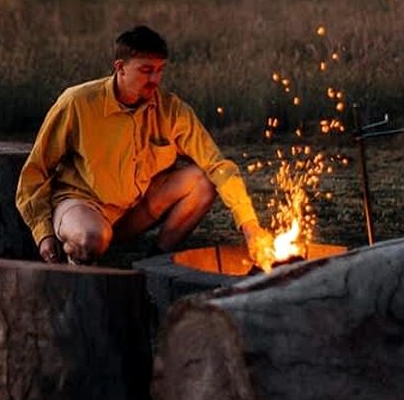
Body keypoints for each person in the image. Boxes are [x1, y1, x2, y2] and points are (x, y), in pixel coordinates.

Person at [16, 25, 276, 269]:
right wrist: (43, 234)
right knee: (90, 239)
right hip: (82, 204)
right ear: (120, 67)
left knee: (203, 179)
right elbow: (35, 171)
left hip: (134, 211)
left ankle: (153, 261)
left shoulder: (172, 110)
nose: (155, 79)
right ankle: (81, 270)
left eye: (160, 70)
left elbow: (219, 165)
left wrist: (250, 225)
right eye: (146, 70)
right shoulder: (77, 103)